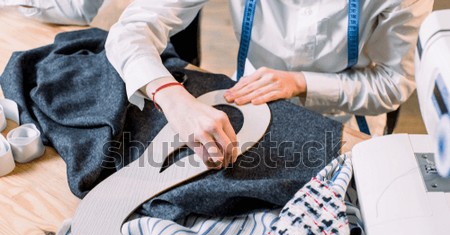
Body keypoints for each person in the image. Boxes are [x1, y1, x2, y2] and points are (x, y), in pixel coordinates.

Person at [3, 0, 434, 168]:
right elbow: (131, 30)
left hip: (346, 121)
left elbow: (393, 83)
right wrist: (172, 97)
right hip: (251, 103)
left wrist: (301, 82)